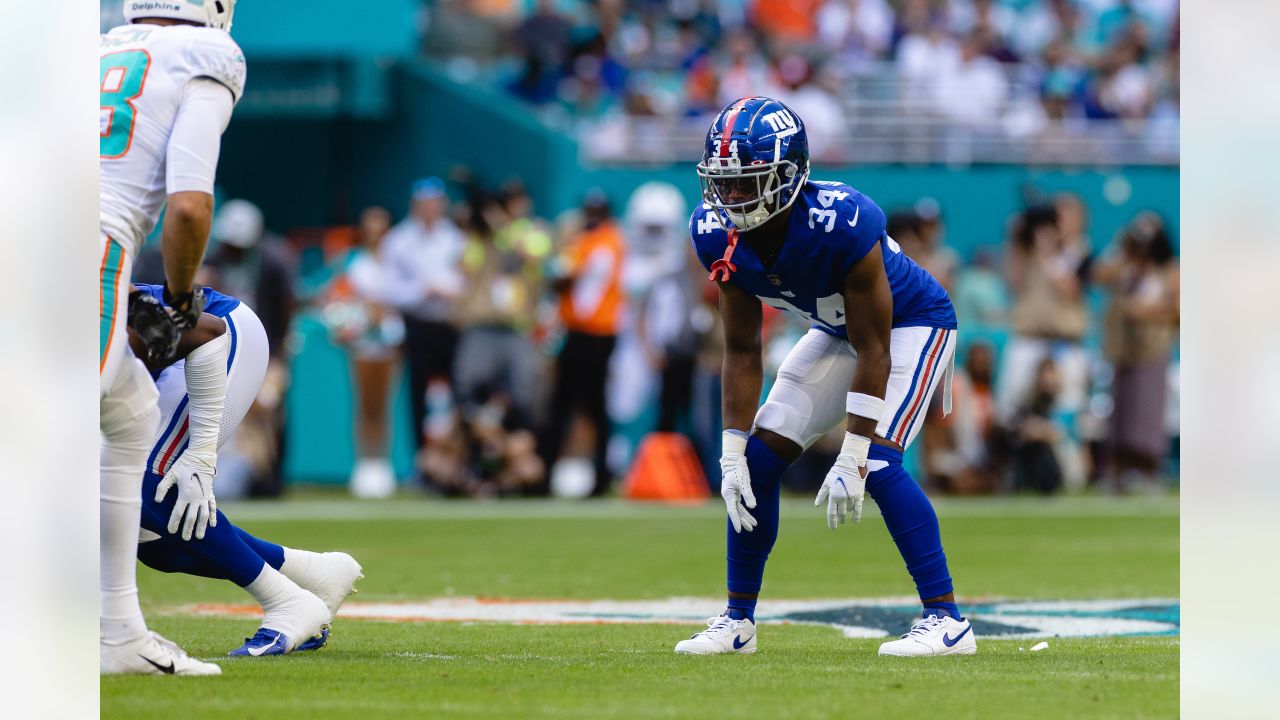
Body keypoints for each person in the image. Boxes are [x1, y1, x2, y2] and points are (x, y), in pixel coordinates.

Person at [677, 97, 974, 658]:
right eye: (726, 182)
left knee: (879, 461)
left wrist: (854, 448)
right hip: (837, 331)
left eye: (748, 182)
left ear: (788, 174)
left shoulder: (841, 221)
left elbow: (875, 347)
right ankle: (738, 621)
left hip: (912, 326)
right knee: (756, 466)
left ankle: (948, 621)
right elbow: (741, 348)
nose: (732, 198)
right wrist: (731, 448)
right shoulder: (715, 233)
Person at [98, 0, 243, 676]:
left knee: (129, 413)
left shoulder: (95, 50)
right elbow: (188, 203)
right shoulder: (206, 57)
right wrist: (180, 302)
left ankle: (119, 631)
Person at [129, 284, 363, 655]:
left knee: (143, 486)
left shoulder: (83, 307)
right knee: (152, 542)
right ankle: (314, 573)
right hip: (178, 357)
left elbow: (207, 333)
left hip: (219, 336)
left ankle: (287, 602)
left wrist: (201, 455)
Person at [202, 198, 297, 497]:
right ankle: (243, 478)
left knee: (270, 411)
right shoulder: (214, 261)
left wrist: (282, 351)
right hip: (227, 349)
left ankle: (273, 479)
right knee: (232, 414)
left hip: (268, 348)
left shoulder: (272, 261)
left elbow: (285, 307)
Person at [539, 191, 626, 497]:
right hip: (580, 333)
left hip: (594, 334)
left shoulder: (601, 242)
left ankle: (595, 475)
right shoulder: (595, 241)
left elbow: (563, 278)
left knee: (584, 406)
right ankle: (557, 473)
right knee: (573, 405)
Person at [381, 177, 466, 476]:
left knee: (457, 393)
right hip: (418, 323)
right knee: (417, 394)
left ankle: (455, 461)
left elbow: (465, 280)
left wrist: (450, 291)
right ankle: (423, 464)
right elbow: (391, 289)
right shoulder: (400, 240)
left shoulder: (455, 238)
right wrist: (423, 291)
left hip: (451, 324)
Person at [1094, 213, 1179, 493]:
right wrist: (1123, 246)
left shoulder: (1169, 270)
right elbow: (1098, 275)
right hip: (1122, 349)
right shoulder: (1125, 266)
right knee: (1119, 413)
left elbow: (1179, 308)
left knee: (1147, 411)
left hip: (1152, 346)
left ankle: (1147, 470)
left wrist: (1145, 311)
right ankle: (1116, 472)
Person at [326, 207, 404, 498]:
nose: (375, 233)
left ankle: (382, 465)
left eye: (380, 227)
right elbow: (345, 297)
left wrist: (383, 311)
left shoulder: (397, 263)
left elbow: (400, 296)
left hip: (389, 339)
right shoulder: (355, 262)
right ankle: (364, 465)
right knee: (364, 403)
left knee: (383, 404)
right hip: (362, 341)